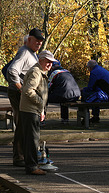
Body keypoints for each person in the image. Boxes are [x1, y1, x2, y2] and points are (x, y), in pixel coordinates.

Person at [7, 28, 44, 167]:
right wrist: (21, 88)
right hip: (18, 93)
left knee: (23, 125)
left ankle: (20, 156)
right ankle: (19, 157)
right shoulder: (24, 52)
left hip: (21, 92)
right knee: (22, 125)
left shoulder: (31, 53)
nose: (39, 44)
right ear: (29, 39)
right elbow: (12, 71)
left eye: (40, 42)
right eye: (36, 41)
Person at [19, 50, 57, 175]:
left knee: (30, 139)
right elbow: (29, 90)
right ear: (40, 60)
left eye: (51, 63)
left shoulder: (40, 71)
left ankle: (31, 164)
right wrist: (40, 103)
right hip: (30, 110)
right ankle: (32, 167)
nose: (50, 65)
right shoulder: (36, 72)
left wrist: (41, 109)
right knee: (32, 139)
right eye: (48, 62)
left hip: (32, 110)